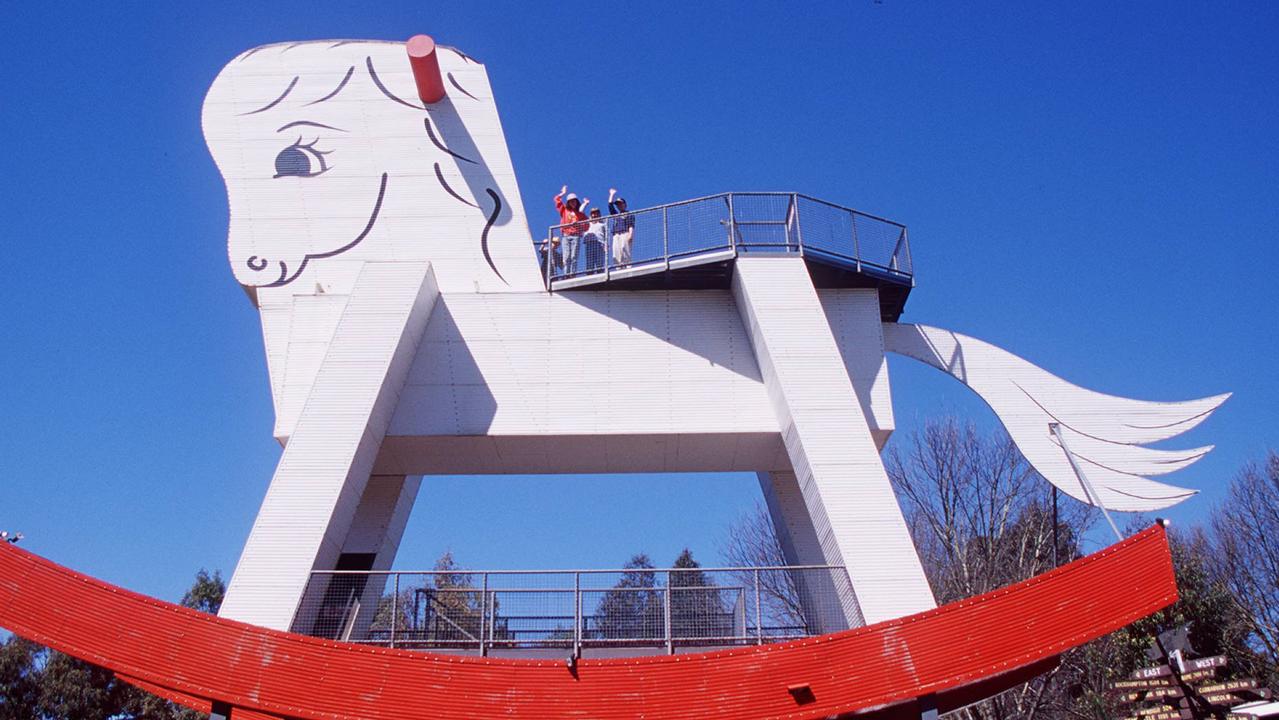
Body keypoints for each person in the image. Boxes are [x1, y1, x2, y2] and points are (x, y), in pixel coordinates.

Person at [554, 185, 588, 277]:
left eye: (574, 201)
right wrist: (563, 193)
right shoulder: (564, 210)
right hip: (566, 236)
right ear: (568, 202)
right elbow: (556, 199)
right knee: (566, 257)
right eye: (571, 201)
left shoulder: (580, 214)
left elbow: (587, 226)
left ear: (577, 202)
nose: (573, 203)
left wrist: (578, 225)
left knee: (574, 257)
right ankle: (566, 275)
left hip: (576, 236)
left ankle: (572, 275)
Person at [608, 188, 634, 268]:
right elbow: (610, 206)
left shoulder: (629, 214)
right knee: (616, 253)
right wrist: (612, 194)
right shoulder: (616, 215)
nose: (619, 206)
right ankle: (618, 269)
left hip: (625, 233)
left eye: (621, 204)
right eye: (618, 204)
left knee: (625, 250)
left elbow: (631, 225)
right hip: (616, 235)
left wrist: (630, 235)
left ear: (625, 205)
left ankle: (628, 268)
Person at [583, 207, 607, 273]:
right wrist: (585, 204)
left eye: (596, 213)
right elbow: (581, 211)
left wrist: (606, 245)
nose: (595, 215)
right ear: (591, 214)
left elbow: (606, 235)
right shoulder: (587, 223)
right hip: (589, 243)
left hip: (599, 243)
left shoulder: (602, 224)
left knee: (599, 262)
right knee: (590, 263)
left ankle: (600, 275)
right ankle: (589, 275)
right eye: (593, 213)